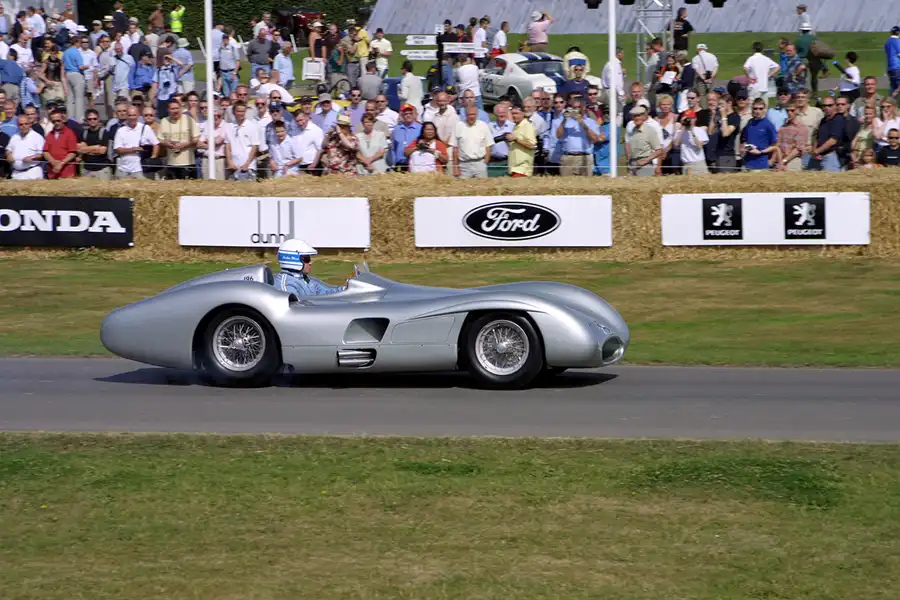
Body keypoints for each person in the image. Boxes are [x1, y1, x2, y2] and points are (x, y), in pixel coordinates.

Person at [273, 239, 346, 296]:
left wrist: (346, 288)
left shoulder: (306, 279)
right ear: (293, 259)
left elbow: (327, 292)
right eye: (307, 259)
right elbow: (296, 309)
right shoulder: (286, 285)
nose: (310, 263)